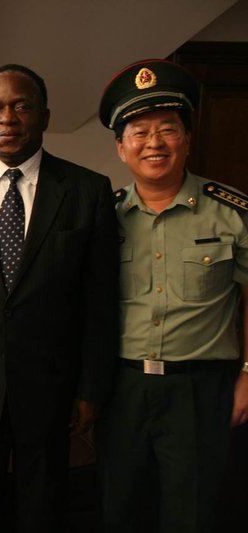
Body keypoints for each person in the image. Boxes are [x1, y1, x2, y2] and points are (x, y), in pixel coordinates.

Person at [0, 64, 119, 532]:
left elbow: (100, 301)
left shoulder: (88, 191)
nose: (6, 117)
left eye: (20, 106)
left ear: (44, 116)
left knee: (43, 512)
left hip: (51, 392)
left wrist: (90, 389)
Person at [96, 59, 248, 533]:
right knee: (121, 512)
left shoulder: (233, 212)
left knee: (193, 514)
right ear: (121, 148)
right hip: (121, 390)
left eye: (167, 129)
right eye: (139, 133)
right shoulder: (102, 217)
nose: (154, 143)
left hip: (201, 390)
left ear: (187, 137)